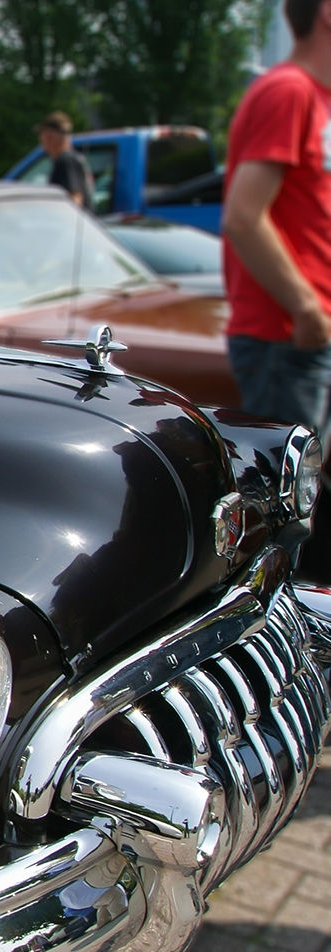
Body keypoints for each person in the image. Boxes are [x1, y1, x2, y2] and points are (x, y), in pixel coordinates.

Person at [222, 0, 331, 580]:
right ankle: (280, 658)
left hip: (302, 341)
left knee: (305, 502)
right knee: (288, 514)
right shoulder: (288, 92)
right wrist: (306, 308)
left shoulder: (313, 99)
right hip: (287, 341)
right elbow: (244, 215)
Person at [37, 111, 93, 209]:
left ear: (50, 136)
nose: (42, 141)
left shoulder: (65, 161)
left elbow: (75, 199)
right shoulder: (73, 158)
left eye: (43, 135)